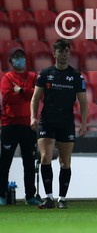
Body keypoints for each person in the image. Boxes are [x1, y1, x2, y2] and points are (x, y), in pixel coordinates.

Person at [30, 39, 88, 209]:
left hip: (66, 122)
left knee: (65, 161)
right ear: (54, 54)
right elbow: (35, 98)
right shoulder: (45, 74)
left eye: (66, 51)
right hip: (47, 121)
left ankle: (62, 198)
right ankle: (49, 198)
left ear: (69, 53)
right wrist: (33, 117)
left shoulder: (76, 76)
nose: (64, 54)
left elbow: (83, 102)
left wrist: (83, 124)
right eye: (60, 51)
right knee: (45, 157)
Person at [0, 47, 42, 206]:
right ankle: (1, 195)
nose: (20, 60)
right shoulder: (6, 78)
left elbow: (38, 94)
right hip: (9, 125)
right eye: (16, 58)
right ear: (10, 62)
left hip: (28, 125)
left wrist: (21, 91)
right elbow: (9, 97)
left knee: (29, 162)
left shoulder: (32, 76)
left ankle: (30, 196)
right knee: (5, 161)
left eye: (22, 57)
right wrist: (26, 94)